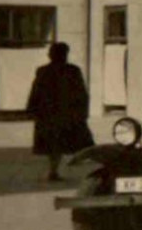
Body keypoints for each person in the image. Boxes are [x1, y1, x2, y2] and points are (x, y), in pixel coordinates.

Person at [26, 42, 93, 182]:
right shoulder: (73, 70)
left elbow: (36, 92)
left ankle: (54, 170)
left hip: (50, 115)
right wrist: (83, 112)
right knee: (74, 142)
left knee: (53, 145)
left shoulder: (44, 71)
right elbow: (82, 94)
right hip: (66, 114)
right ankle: (60, 169)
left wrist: (31, 109)